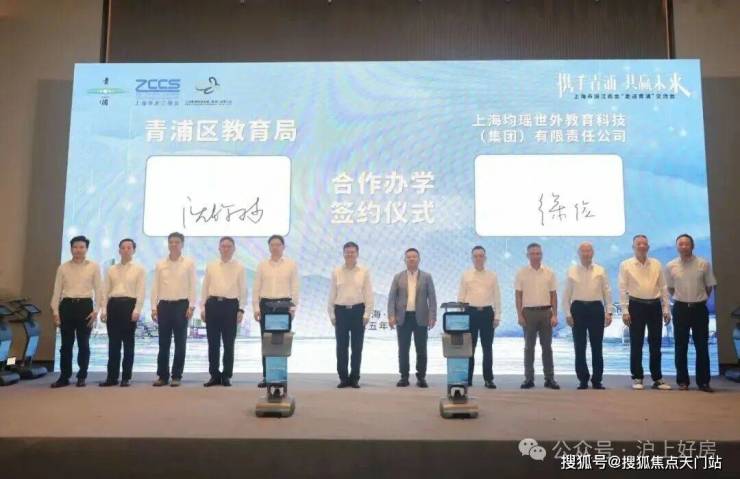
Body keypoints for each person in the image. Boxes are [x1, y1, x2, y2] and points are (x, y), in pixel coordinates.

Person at [618, 234, 671, 390]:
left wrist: (666, 309)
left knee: (656, 344)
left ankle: (657, 378)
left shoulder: (656, 264)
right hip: (636, 305)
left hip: (654, 306)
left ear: (648, 247)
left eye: (644, 244)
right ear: (633, 247)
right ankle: (637, 377)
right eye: (638, 244)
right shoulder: (626, 264)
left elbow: (663, 287)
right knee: (636, 343)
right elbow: (622, 288)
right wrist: (625, 310)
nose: (642, 246)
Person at [665, 233, 717, 393]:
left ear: (692, 246)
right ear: (677, 247)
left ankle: (703, 382)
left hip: (699, 309)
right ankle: (682, 381)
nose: (683, 246)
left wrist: (699, 298)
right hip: (680, 308)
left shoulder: (703, 263)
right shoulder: (670, 266)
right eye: (680, 244)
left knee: (702, 346)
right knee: (680, 346)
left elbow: (709, 286)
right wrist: (683, 299)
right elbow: (670, 288)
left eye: (686, 244)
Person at [50, 235, 102, 388]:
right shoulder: (63, 267)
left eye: (81, 247)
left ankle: (82, 376)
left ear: (86, 249)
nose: (78, 250)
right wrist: (55, 311)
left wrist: (96, 311)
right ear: (71, 249)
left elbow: (99, 290)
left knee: (83, 344)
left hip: (85, 307)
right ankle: (64, 376)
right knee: (66, 345)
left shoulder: (93, 267)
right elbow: (56, 291)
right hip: (67, 306)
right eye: (75, 247)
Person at [561, 242, 612, 390]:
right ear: (578, 253)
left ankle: (597, 380)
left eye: (588, 251)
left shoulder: (600, 270)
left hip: (596, 308)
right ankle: (583, 379)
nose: (586, 254)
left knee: (597, 346)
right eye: (583, 251)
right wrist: (567, 313)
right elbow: (566, 295)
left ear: (593, 253)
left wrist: (609, 312)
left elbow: (607, 292)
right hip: (578, 309)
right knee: (579, 346)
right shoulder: (571, 271)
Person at [252, 234, 299, 388]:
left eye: (278, 244)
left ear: (283, 247)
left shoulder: (291, 265)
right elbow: (256, 288)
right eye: (272, 245)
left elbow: (295, 288)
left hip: (284, 306)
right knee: (266, 342)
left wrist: (293, 308)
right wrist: (256, 308)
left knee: (281, 342)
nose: (275, 247)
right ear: (269, 247)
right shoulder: (262, 265)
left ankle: (280, 377)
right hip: (266, 305)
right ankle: (267, 376)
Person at [201, 236, 247, 388]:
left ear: (234, 249)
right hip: (212, 305)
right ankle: (214, 375)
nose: (226, 249)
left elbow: (243, 290)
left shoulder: (239, 267)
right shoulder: (211, 266)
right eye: (223, 246)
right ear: (219, 248)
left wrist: (241, 309)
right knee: (213, 343)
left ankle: (226, 375)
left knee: (229, 343)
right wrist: (203, 308)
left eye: (229, 246)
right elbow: (205, 288)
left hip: (230, 306)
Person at [151, 232, 196, 387]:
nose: (174, 245)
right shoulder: (160, 264)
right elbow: (155, 287)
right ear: (168, 244)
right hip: (163, 306)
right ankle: (162, 376)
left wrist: (191, 306)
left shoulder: (188, 263)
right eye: (171, 242)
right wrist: (153, 307)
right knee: (163, 343)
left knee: (180, 343)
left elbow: (192, 286)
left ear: (182, 244)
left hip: (181, 306)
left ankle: (176, 375)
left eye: (177, 242)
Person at [388, 248, 437, 388]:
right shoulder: (398, 277)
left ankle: (421, 377)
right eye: (408, 257)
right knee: (403, 349)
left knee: (421, 349)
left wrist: (432, 316)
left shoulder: (427, 277)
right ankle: (404, 377)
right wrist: (391, 315)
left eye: (414, 256)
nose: (411, 259)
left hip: (421, 317)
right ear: (405, 260)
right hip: (403, 318)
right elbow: (392, 298)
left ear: (419, 259)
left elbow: (432, 298)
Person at [99, 238, 145, 387]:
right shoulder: (111, 269)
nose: (126, 250)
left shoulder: (139, 269)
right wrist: (104, 309)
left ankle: (126, 377)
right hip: (113, 305)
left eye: (129, 247)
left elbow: (141, 292)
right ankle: (111, 377)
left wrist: (137, 310)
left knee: (128, 344)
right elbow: (105, 291)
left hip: (129, 306)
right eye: (123, 247)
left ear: (134, 250)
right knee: (113, 344)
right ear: (119, 250)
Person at [327, 241, 374, 388]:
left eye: (352, 252)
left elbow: (368, 294)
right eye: (347, 252)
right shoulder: (336, 272)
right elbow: (332, 294)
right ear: (343, 254)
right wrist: (332, 314)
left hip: (358, 311)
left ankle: (354, 378)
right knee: (341, 347)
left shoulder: (364, 272)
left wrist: (367, 314)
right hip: (340, 312)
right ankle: (343, 378)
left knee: (357, 347)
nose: (350, 254)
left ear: (357, 254)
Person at [515, 243, 560, 390]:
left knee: (547, 347)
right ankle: (529, 379)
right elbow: (518, 295)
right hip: (528, 313)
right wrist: (519, 315)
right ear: (527, 255)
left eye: (538, 253)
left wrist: (555, 314)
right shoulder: (521, 273)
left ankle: (550, 379)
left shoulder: (549, 272)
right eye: (533, 253)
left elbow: (553, 295)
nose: (536, 256)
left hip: (546, 313)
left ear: (542, 255)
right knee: (529, 347)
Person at [457, 245, 501, 388]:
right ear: (472, 258)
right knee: (469, 347)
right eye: (475, 256)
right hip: (470, 313)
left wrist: (497, 316)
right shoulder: (466, 275)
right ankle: (467, 379)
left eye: (481, 256)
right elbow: (461, 297)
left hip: (487, 313)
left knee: (487, 348)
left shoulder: (492, 275)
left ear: (485, 258)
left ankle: (488, 379)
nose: (478, 258)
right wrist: (461, 317)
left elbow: (497, 297)